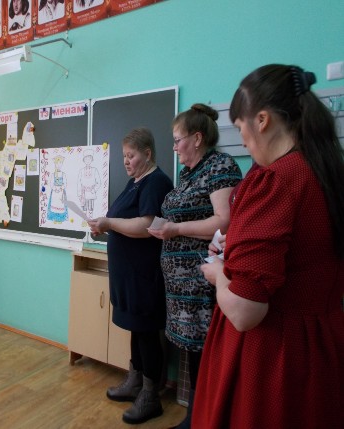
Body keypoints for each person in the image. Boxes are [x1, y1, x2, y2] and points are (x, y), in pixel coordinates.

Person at [194, 64, 344, 429]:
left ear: (262, 120)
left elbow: (245, 311)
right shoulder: (326, 172)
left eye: (240, 128)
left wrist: (219, 274)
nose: (243, 141)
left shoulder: (275, 181)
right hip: (322, 346)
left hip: (273, 359)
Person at [148, 104, 242, 429]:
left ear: (197, 138)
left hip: (203, 283)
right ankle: (195, 417)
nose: (174, 147)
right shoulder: (189, 174)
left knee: (205, 351)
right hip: (182, 289)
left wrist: (174, 229)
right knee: (193, 352)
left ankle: (201, 420)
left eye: (178, 140)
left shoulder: (219, 166)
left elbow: (225, 222)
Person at [88, 128, 173, 425]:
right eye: (124, 155)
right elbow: (123, 221)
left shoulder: (156, 182)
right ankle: (134, 381)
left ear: (147, 154)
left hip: (144, 275)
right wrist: (103, 226)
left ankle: (151, 396)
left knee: (146, 332)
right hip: (128, 275)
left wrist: (110, 223)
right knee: (136, 330)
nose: (126, 161)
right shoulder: (134, 182)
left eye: (131, 155)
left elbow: (147, 225)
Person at [77, 149, 101, 219]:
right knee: (84, 208)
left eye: (89, 159)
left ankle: (91, 220)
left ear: (91, 160)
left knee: (90, 207)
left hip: (91, 193)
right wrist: (79, 193)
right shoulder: (81, 171)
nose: (87, 160)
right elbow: (79, 183)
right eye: (86, 159)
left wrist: (94, 189)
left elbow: (98, 182)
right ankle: (85, 221)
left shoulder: (94, 170)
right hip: (83, 193)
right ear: (84, 160)